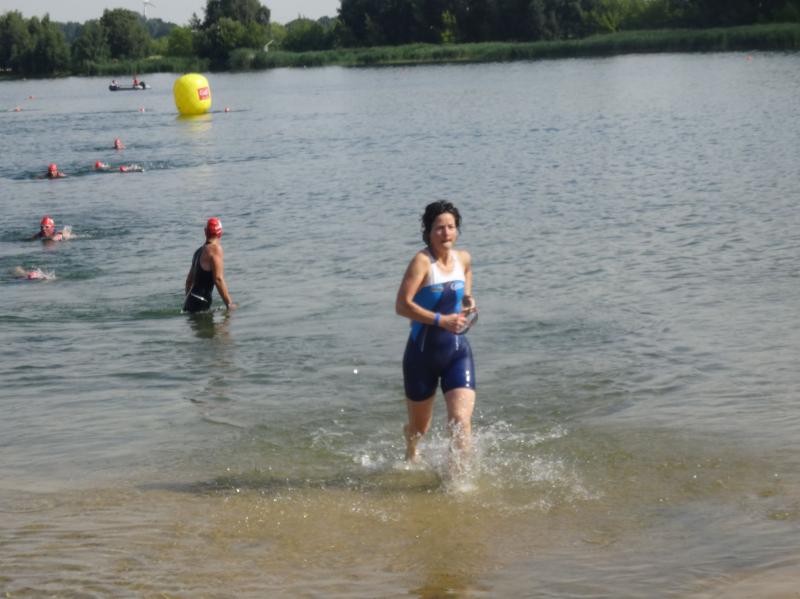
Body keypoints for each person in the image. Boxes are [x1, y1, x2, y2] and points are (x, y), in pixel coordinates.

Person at [395, 200, 478, 470]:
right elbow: (402, 306)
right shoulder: (422, 262)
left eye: (451, 227)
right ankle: (411, 450)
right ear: (429, 232)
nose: (446, 233)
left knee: (460, 421)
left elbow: (467, 275)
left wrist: (468, 299)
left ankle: (457, 480)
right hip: (422, 355)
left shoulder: (463, 258)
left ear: (457, 230)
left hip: (457, 352)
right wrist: (442, 320)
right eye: (439, 228)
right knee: (420, 428)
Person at [183, 217, 236, 313]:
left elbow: (189, 281)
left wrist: (189, 301)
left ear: (205, 232)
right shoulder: (215, 249)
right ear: (220, 233)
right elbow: (218, 279)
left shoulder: (198, 252)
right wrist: (229, 304)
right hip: (201, 302)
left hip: (189, 302)